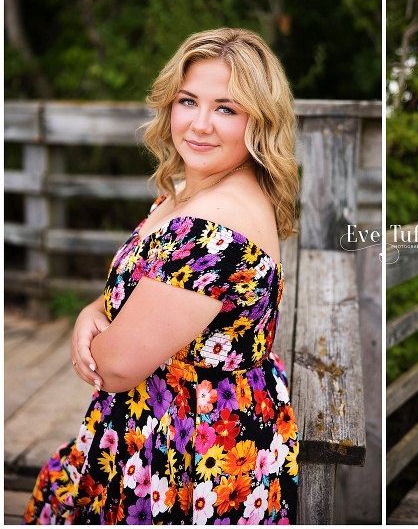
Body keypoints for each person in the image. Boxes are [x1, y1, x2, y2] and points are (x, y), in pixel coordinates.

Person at [24, 27, 300, 524]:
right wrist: (93, 309)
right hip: (164, 428)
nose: (199, 125)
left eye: (226, 109)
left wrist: (95, 333)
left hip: (189, 457)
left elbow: (116, 367)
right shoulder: (188, 193)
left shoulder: (211, 225)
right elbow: (133, 291)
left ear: (259, 122)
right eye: (188, 100)